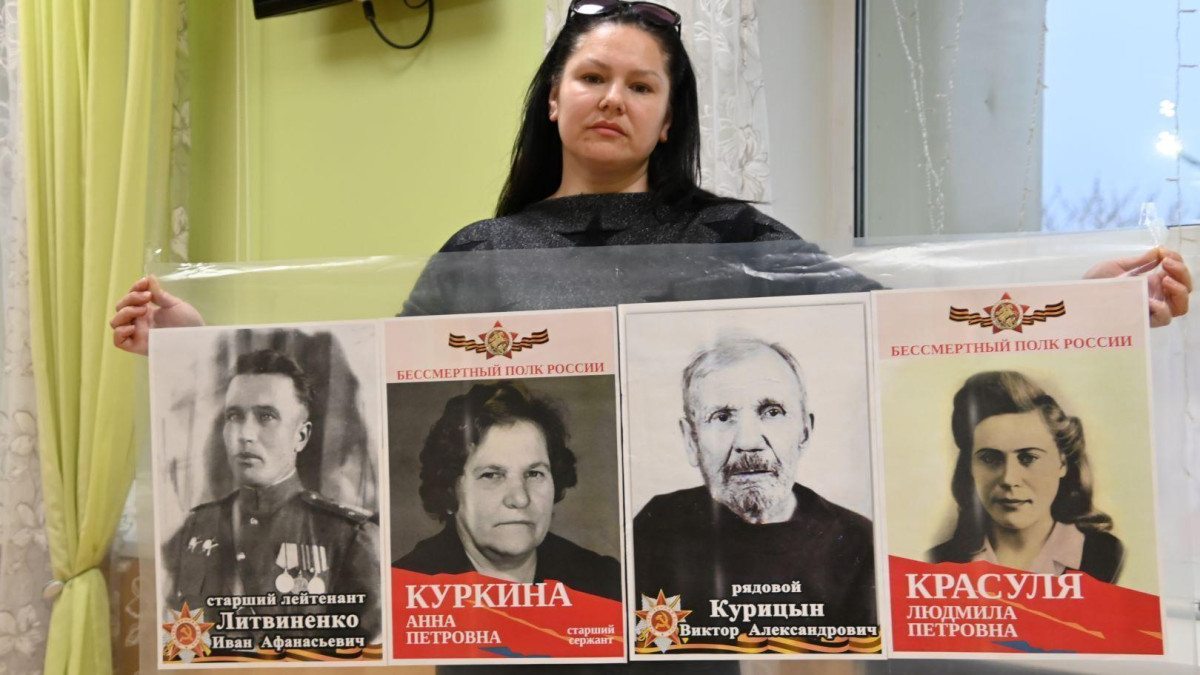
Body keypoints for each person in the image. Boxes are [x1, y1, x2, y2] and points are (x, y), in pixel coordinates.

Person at [633, 337, 876, 632]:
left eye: (772, 412)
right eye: (722, 417)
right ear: (691, 441)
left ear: (805, 432)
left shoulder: (859, 544)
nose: (748, 442)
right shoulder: (654, 527)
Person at [162, 348, 383, 643]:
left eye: (266, 416)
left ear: (300, 436)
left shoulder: (349, 537)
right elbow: (177, 643)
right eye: (234, 416)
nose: (245, 434)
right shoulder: (194, 529)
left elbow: (368, 653)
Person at [394, 381, 621, 601]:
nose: (520, 498)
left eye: (534, 474)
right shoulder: (402, 587)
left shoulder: (603, 583)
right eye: (492, 475)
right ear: (449, 489)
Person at [928, 371, 1124, 583]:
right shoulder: (937, 563)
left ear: (1062, 463)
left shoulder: (1108, 556)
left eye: (1028, 458)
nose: (1009, 479)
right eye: (990, 458)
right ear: (970, 467)